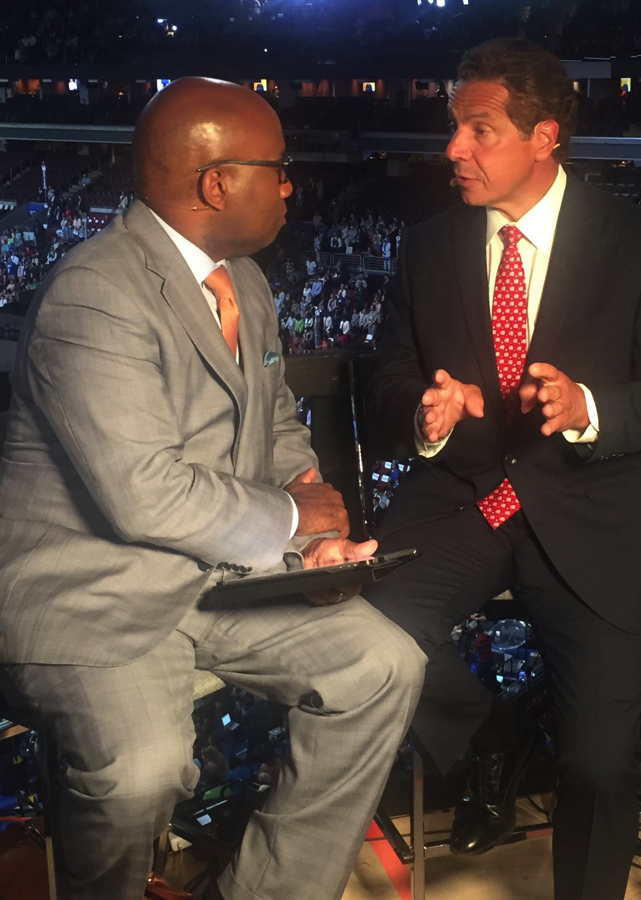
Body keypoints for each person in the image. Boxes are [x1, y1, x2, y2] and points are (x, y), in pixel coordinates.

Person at [0, 77, 426, 900]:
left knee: (383, 665)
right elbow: (143, 494)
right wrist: (294, 515)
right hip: (97, 594)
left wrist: (312, 537)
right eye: (279, 166)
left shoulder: (248, 283)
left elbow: (274, 423)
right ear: (216, 182)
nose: (292, 184)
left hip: (218, 580)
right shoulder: (95, 293)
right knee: (141, 772)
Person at [364, 38, 641, 900]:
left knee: (594, 762)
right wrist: (426, 410)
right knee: (355, 632)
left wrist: (589, 407)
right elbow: (389, 378)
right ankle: (492, 734)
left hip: (592, 510)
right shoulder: (426, 246)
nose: (452, 150)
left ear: (543, 135)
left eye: (478, 130)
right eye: (453, 128)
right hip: (461, 496)